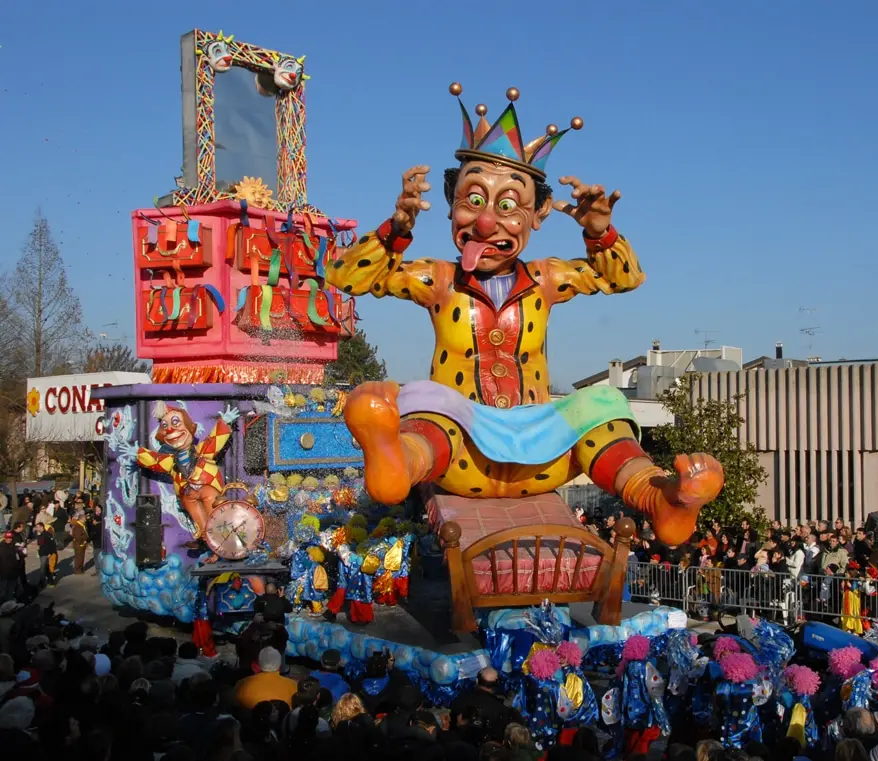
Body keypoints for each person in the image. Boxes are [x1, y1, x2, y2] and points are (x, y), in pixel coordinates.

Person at [327, 85, 724, 549]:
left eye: (509, 207)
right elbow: (344, 276)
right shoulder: (437, 279)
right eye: (473, 200)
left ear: (537, 216)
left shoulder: (548, 279)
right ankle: (398, 466)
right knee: (433, 402)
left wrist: (600, 233)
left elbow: (625, 278)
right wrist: (396, 231)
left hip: (542, 451)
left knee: (598, 405)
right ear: (451, 202)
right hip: (462, 451)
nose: (487, 223)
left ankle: (660, 498)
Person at [233, 647, 298, 710]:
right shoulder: (294, 686)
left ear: (259, 665)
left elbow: (235, 706)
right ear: (279, 666)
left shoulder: (242, 685)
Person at [34, 523, 57, 588]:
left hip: (46, 554)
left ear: (42, 527)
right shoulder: (39, 535)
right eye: (36, 527)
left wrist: (50, 553)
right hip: (41, 553)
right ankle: (49, 581)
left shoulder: (47, 534)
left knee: (43, 568)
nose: (36, 529)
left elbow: (53, 545)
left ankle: (43, 582)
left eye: (38, 527)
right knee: (46, 568)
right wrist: (38, 552)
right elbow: (39, 544)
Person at [0, 532, 21, 602]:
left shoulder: (14, 546)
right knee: (3, 588)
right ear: (5, 538)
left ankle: (9, 601)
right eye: (7, 538)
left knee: (11, 588)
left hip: (13, 571)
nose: (9, 539)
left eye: (10, 538)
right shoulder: (1, 546)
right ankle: (3, 602)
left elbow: (18, 557)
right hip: (4, 571)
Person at [68, 511, 89, 575]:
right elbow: (77, 536)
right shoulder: (78, 526)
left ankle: (80, 569)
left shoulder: (81, 525)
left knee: (81, 557)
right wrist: (83, 540)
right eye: (84, 519)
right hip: (79, 544)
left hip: (81, 544)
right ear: (81, 519)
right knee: (79, 558)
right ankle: (78, 570)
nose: (85, 520)